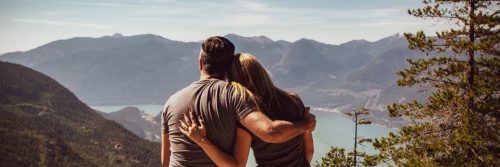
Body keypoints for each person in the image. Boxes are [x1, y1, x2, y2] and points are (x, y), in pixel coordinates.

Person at [161, 36, 316, 167]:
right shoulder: (236, 96)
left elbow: (165, 161)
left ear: (200, 64)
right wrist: (305, 125)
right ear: (227, 69)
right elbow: (271, 133)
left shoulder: (170, 102)